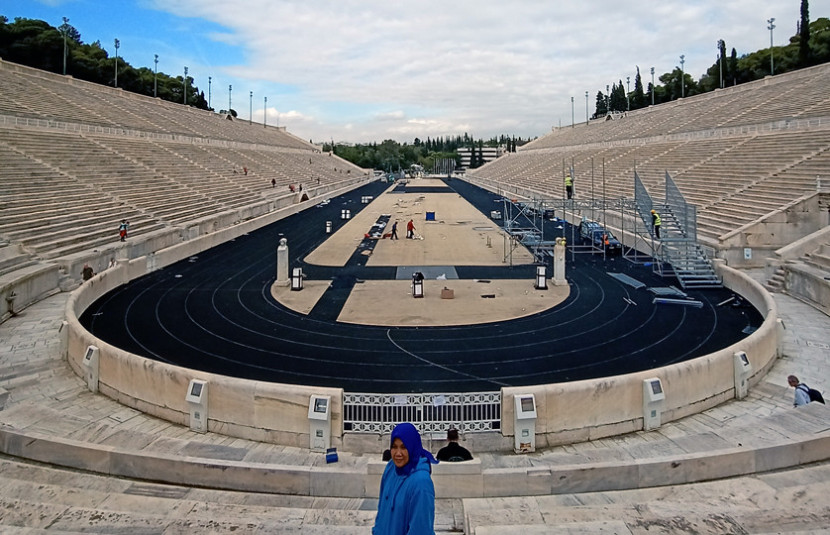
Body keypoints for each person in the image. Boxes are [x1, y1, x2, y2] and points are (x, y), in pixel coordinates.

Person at [373, 422, 438, 535]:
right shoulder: (391, 468)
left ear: (412, 447)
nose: (398, 453)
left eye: (404, 447)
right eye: (394, 447)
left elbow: (420, 530)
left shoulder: (421, 483)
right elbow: (382, 511)